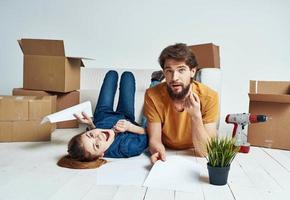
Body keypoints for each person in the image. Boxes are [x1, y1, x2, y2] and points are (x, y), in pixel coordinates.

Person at [144, 43, 219, 163]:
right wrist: (158, 152)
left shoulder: (210, 97)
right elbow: (155, 139)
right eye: (169, 71)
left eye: (181, 70)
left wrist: (196, 116)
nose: (174, 78)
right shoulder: (152, 95)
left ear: (192, 71)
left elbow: (205, 151)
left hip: (193, 151)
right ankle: (155, 80)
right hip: (167, 149)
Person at [68, 70, 148, 161]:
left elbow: (93, 132)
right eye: (96, 145)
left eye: (90, 135)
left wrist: (91, 125)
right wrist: (130, 127)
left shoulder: (96, 133)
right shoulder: (127, 148)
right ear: (100, 155)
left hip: (102, 115)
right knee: (128, 76)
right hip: (125, 116)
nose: (99, 137)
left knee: (111, 74)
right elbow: (149, 134)